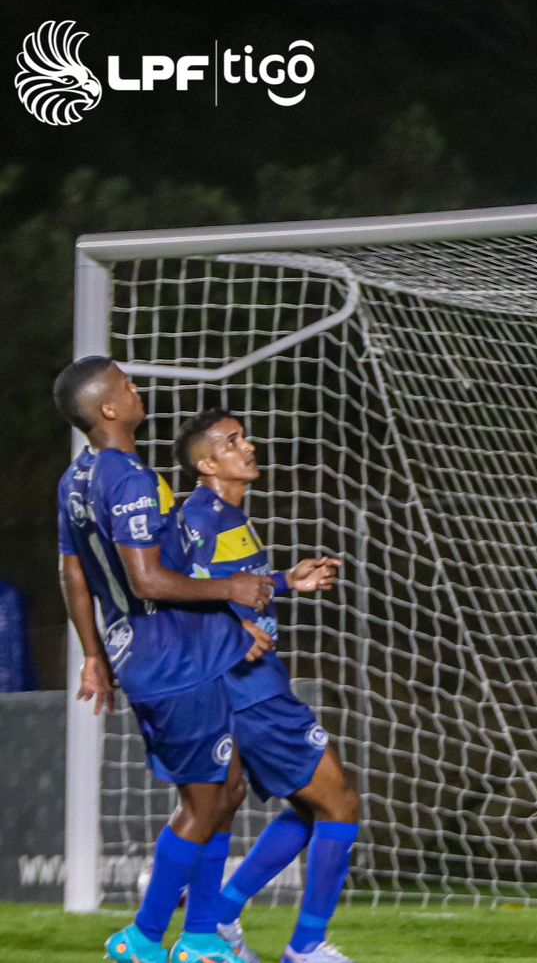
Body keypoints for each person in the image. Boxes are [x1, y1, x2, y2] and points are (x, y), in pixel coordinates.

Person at [52, 356, 273, 963]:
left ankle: (201, 937)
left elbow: (73, 573)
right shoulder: (131, 480)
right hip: (169, 658)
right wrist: (233, 589)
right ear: (108, 410)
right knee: (203, 804)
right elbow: (147, 580)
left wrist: (94, 655)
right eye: (126, 384)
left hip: (159, 652)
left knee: (226, 788)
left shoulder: (75, 480)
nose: (136, 388)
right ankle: (145, 938)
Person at [173, 407, 359, 963]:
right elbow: (171, 593)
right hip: (250, 690)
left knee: (310, 808)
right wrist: (234, 633)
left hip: (251, 686)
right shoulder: (201, 519)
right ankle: (304, 947)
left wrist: (285, 580)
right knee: (341, 804)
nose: (247, 446)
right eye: (232, 441)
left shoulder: (229, 515)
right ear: (207, 463)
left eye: (245, 437)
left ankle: (224, 914)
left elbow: (227, 586)